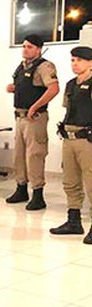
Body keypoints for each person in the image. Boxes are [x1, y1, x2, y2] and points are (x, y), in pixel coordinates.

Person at [5, 34, 60, 210]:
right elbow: (28, 86)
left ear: (38, 49)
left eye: (29, 46)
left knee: (35, 155)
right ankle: (21, 188)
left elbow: (54, 88)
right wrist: (13, 88)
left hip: (34, 118)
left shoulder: (44, 66)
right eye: (23, 46)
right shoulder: (22, 67)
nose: (25, 49)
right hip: (20, 117)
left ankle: (38, 194)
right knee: (19, 156)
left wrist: (35, 106)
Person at [49, 46, 92, 243]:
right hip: (70, 137)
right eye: (73, 60)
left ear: (90, 63)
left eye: (79, 60)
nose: (75, 63)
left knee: (91, 182)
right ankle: (73, 220)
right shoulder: (70, 85)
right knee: (70, 181)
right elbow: (68, 109)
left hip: (87, 140)